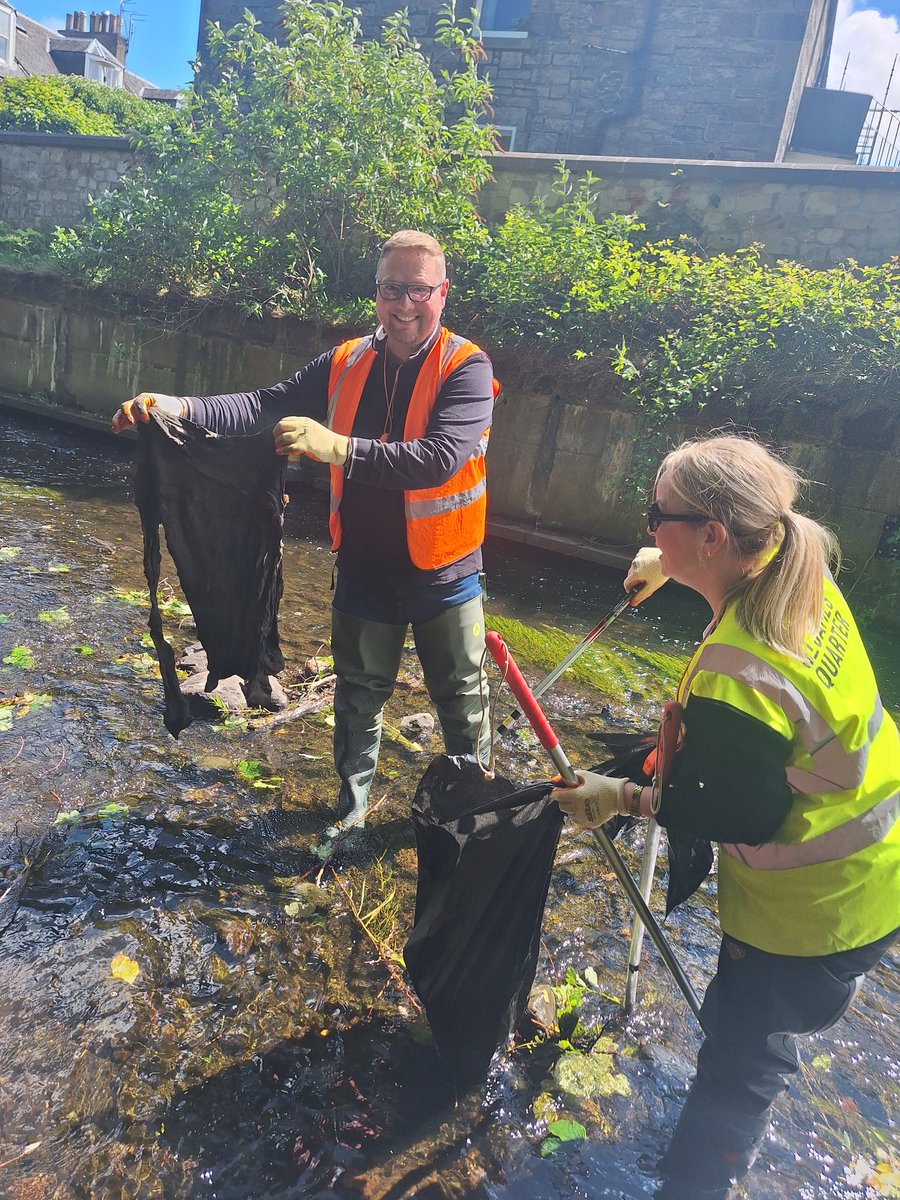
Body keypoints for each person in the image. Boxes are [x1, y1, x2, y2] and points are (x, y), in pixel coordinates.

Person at [552, 434, 899, 1199]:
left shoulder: (739, 671)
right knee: (762, 1051)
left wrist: (616, 798)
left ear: (713, 536)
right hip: (881, 867)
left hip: (813, 917)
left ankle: (695, 1186)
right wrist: (674, 571)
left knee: (741, 1069)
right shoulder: (799, 573)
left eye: (657, 517)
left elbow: (728, 811)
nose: (647, 529)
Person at [113, 230, 498, 847]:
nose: (405, 305)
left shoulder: (467, 369)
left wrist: (338, 447)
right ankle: (352, 808)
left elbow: (440, 459)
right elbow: (266, 405)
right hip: (365, 568)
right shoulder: (347, 362)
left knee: (461, 702)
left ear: (442, 294)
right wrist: (178, 407)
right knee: (357, 697)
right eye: (393, 290)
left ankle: (476, 814)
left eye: (419, 291)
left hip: (445, 573)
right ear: (376, 293)